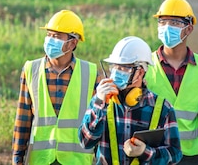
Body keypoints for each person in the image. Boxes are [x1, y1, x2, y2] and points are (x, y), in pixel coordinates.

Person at [78, 36, 182, 165]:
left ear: (141, 72)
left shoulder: (163, 108)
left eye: (123, 68)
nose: (116, 72)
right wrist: (99, 103)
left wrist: (146, 151)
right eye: (114, 67)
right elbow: (85, 142)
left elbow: (175, 154)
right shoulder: (101, 102)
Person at [12, 9, 98, 164]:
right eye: (49, 35)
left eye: (57, 36)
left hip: (77, 160)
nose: (50, 40)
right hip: (41, 160)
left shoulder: (91, 73)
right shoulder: (31, 70)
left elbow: (99, 121)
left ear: (73, 42)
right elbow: (23, 119)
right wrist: (17, 158)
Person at [145, 0, 198, 165]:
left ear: (189, 29)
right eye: (162, 21)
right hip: (155, 154)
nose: (166, 27)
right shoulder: (145, 66)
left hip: (192, 157)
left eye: (174, 23)